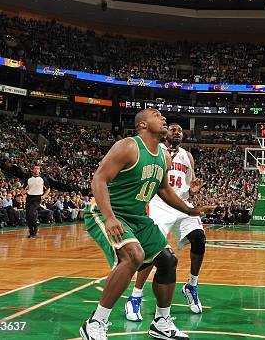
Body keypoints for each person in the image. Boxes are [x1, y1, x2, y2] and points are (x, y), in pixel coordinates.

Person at [79, 109, 214, 340]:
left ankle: (161, 321)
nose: (162, 118)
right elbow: (98, 179)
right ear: (142, 124)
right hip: (107, 213)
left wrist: (190, 210)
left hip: (138, 217)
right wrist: (110, 217)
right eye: (156, 114)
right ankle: (95, 322)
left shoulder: (164, 157)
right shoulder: (128, 146)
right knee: (134, 255)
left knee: (168, 261)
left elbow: (163, 190)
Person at [125, 123, 208, 321]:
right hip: (158, 204)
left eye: (180, 130)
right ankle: (135, 296)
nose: (177, 132)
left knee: (199, 238)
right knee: (152, 251)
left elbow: (189, 184)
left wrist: (192, 191)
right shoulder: (156, 150)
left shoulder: (187, 156)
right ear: (165, 134)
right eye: (173, 129)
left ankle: (192, 285)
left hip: (182, 204)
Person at [23, 166, 49, 238]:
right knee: (28, 216)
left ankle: (36, 226)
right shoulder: (29, 179)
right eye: (35, 168)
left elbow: (48, 189)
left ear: (39, 170)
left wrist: (44, 196)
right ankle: (31, 232)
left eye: (38, 169)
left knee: (31, 213)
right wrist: (24, 193)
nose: (36, 170)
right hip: (29, 198)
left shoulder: (42, 178)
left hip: (37, 198)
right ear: (32, 170)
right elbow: (23, 189)